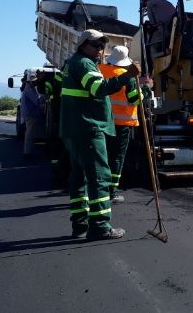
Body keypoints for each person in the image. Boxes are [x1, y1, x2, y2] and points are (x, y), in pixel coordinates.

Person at [59, 29, 140, 240]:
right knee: (99, 177)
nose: (100, 49)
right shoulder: (84, 64)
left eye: (102, 46)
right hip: (89, 128)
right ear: (83, 44)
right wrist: (129, 75)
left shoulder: (72, 63)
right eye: (95, 45)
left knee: (79, 178)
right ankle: (100, 227)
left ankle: (79, 225)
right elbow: (98, 89)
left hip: (74, 129)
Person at [98, 45, 152, 203]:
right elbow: (135, 98)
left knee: (103, 155)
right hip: (121, 123)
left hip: (102, 121)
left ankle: (99, 188)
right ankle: (112, 191)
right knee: (117, 157)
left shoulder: (99, 70)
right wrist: (147, 89)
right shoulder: (126, 76)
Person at [19, 71, 45, 160]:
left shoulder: (28, 88)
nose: (36, 83)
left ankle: (28, 152)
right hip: (31, 114)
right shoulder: (29, 90)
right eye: (34, 81)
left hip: (30, 114)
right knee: (30, 134)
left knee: (31, 133)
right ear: (30, 82)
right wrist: (45, 97)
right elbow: (37, 101)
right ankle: (28, 153)